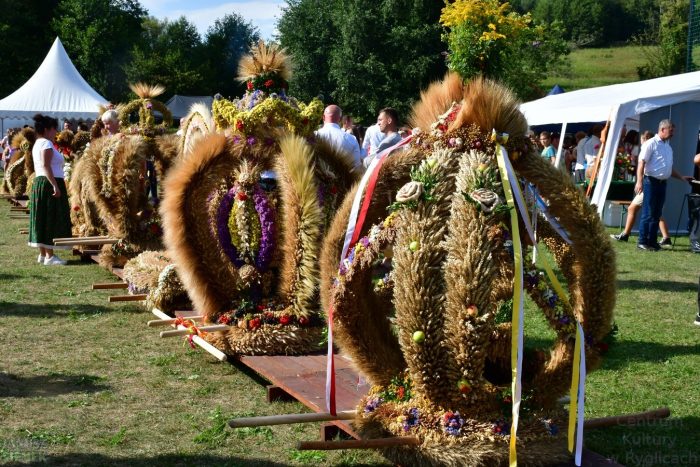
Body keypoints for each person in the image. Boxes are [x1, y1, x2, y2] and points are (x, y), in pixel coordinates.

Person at [635, 119, 693, 251]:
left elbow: (668, 168)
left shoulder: (668, 146)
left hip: (662, 184)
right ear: (662, 129)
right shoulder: (651, 144)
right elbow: (641, 163)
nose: (673, 134)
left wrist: (681, 177)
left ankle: (652, 241)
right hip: (651, 182)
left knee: (656, 213)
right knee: (648, 213)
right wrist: (639, 181)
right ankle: (642, 241)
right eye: (671, 131)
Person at [611, 130, 671, 245]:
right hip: (650, 183)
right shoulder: (655, 147)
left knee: (637, 210)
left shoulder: (647, 148)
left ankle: (626, 235)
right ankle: (665, 236)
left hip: (648, 184)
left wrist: (639, 182)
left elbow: (644, 168)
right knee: (654, 212)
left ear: (644, 140)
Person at [28, 114, 72, 265]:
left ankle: (43, 254)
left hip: (41, 182)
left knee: (42, 217)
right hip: (49, 182)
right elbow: (46, 165)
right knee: (50, 218)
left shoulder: (38, 143)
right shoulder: (46, 143)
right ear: (47, 129)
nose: (56, 132)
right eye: (54, 129)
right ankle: (49, 256)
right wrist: (54, 185)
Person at [315, 104, 362, 169]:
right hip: (344, 178)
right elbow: (357, 166)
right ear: (340, 119)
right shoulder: (352, 139)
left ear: (323, 117)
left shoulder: (313, 136)